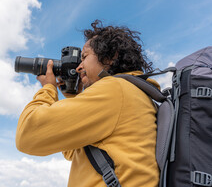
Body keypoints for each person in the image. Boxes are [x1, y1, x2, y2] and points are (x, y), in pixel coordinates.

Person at [16, 20, 160, 186]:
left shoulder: (114, 89)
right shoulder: (132, 92)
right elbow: (73, 150)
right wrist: (73, 98)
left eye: (84, 57)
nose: (79, 67)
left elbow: (27, 135)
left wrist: (48, 88)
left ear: (110, 57)